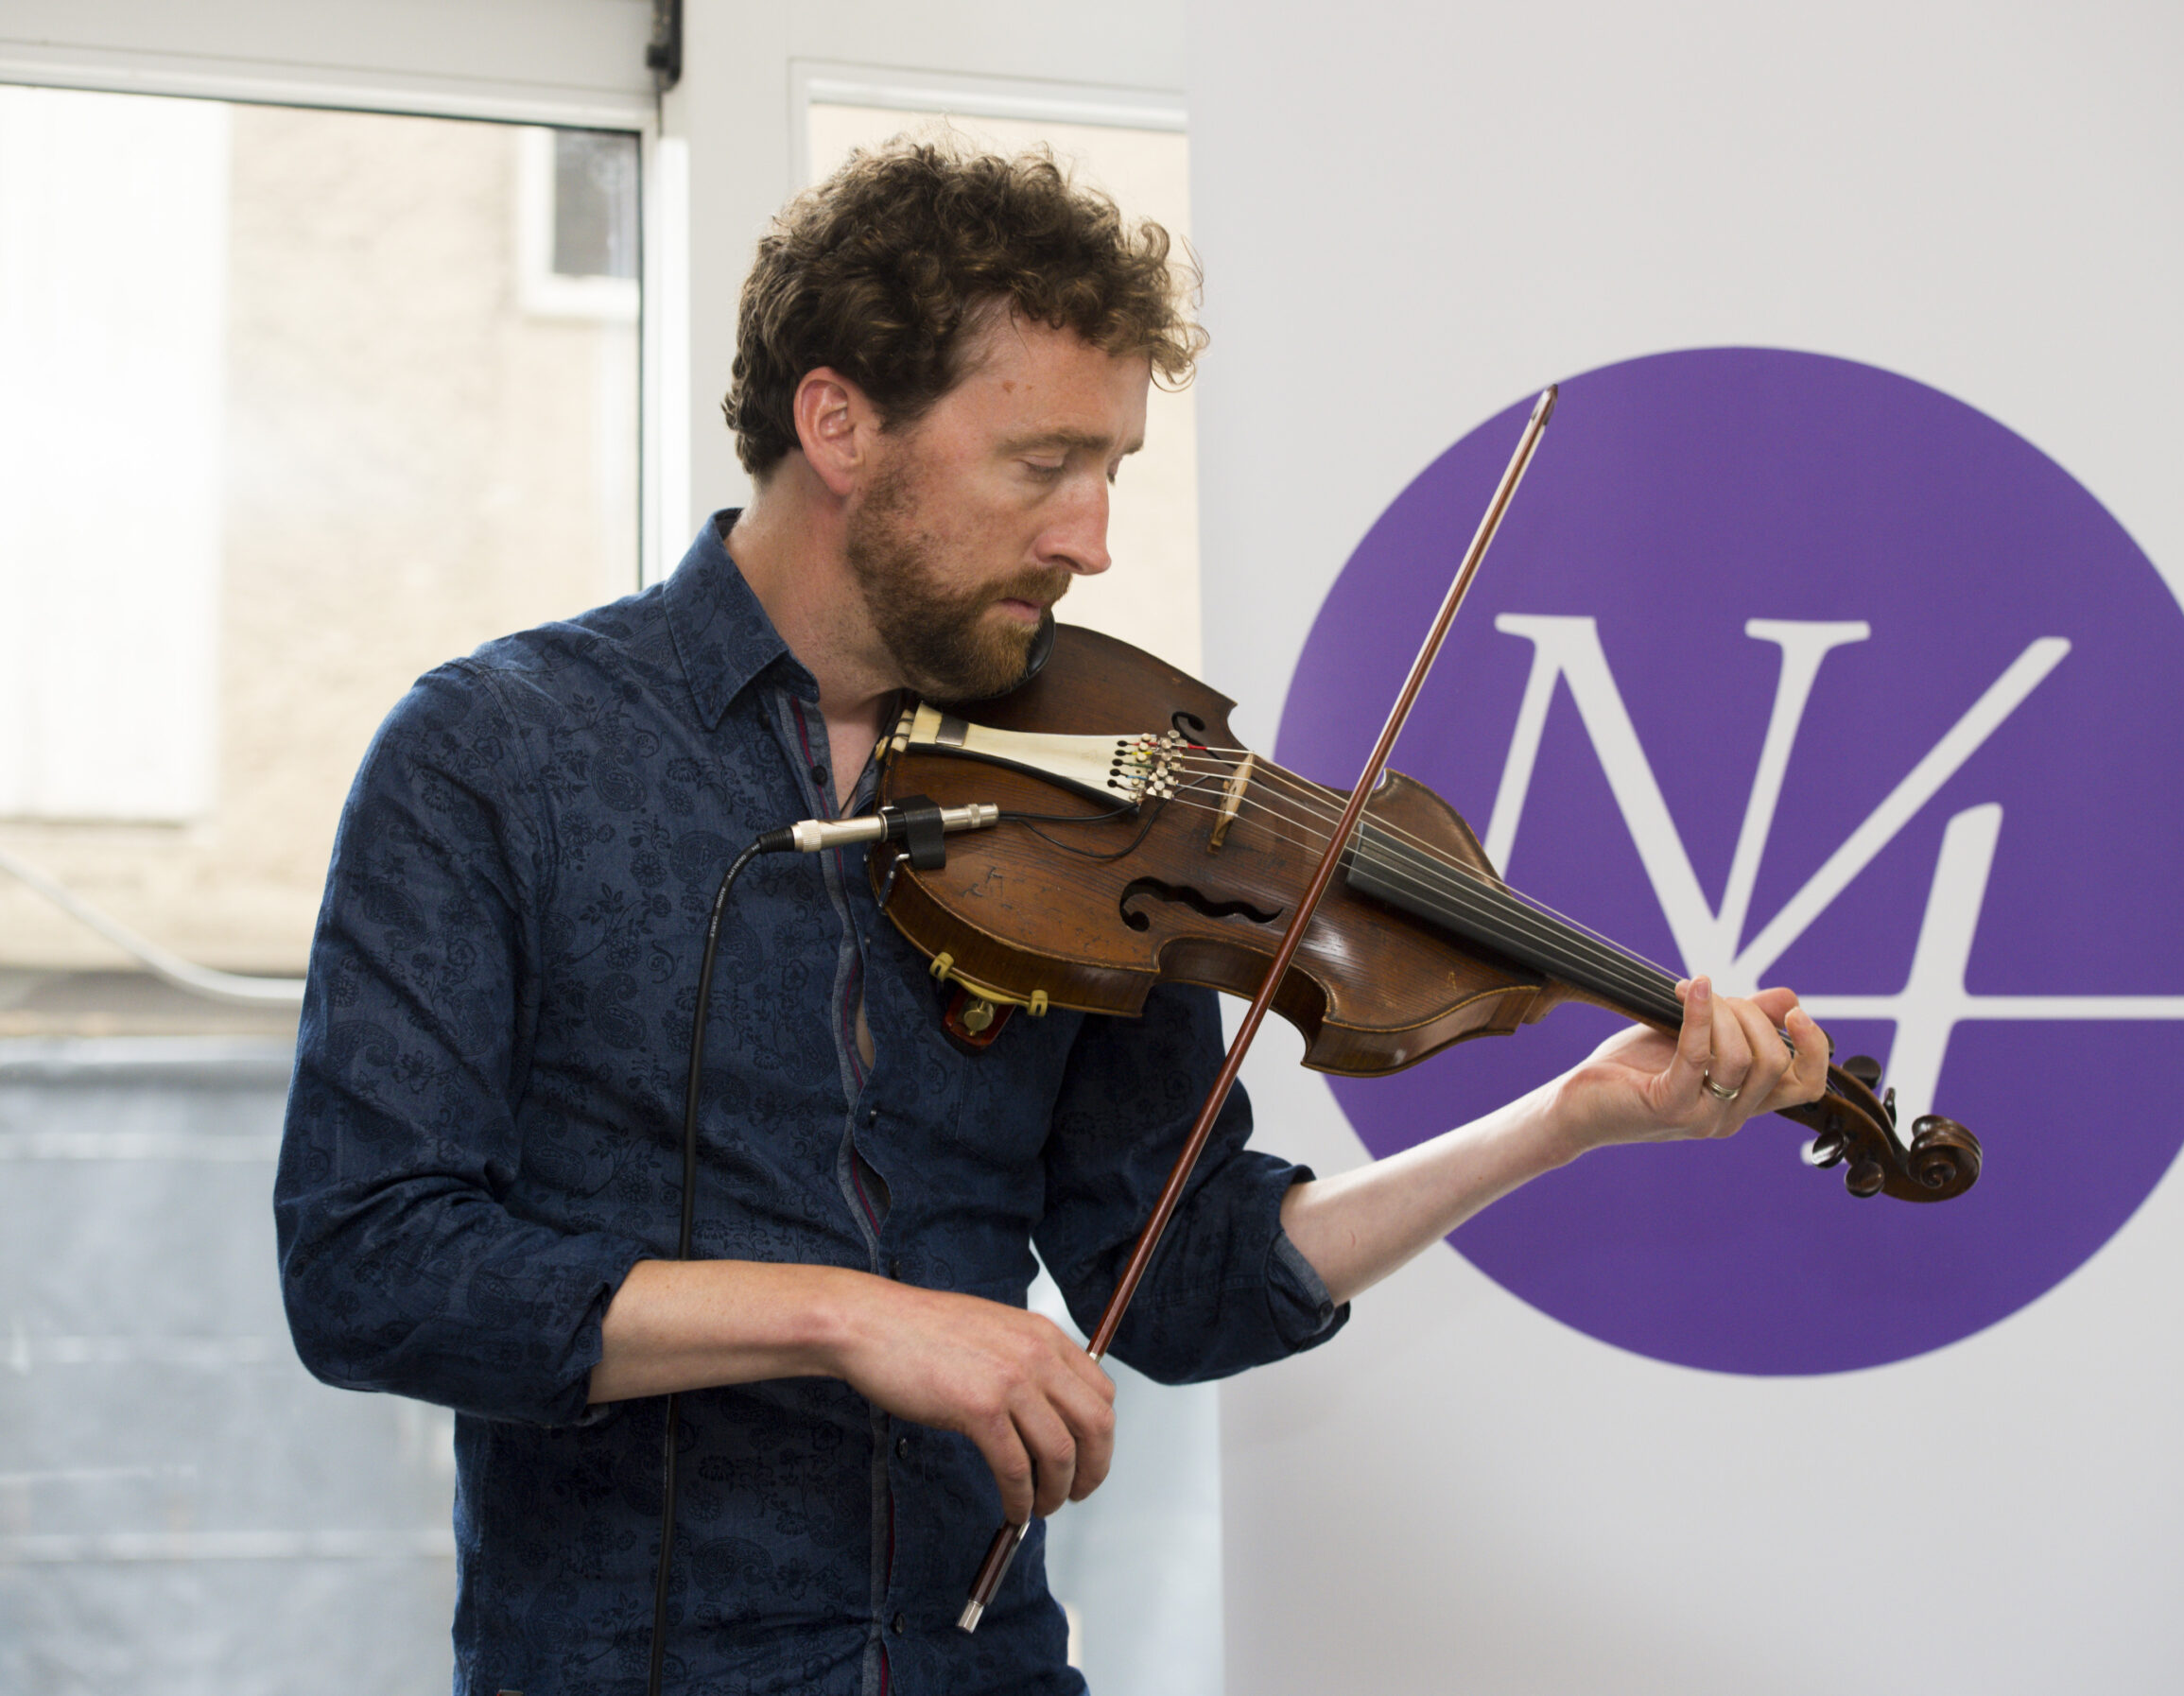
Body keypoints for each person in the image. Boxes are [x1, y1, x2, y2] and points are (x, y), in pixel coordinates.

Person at [274, 139, 1829, 1695]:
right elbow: (371, 1265)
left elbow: (1188, 1274)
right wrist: (852, 1319)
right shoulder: (498, 752)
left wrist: (1559, 1119)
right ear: (841, 426)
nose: (1094, 539)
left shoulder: (1105, 808)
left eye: (1115, 472)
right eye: (1042, 467)